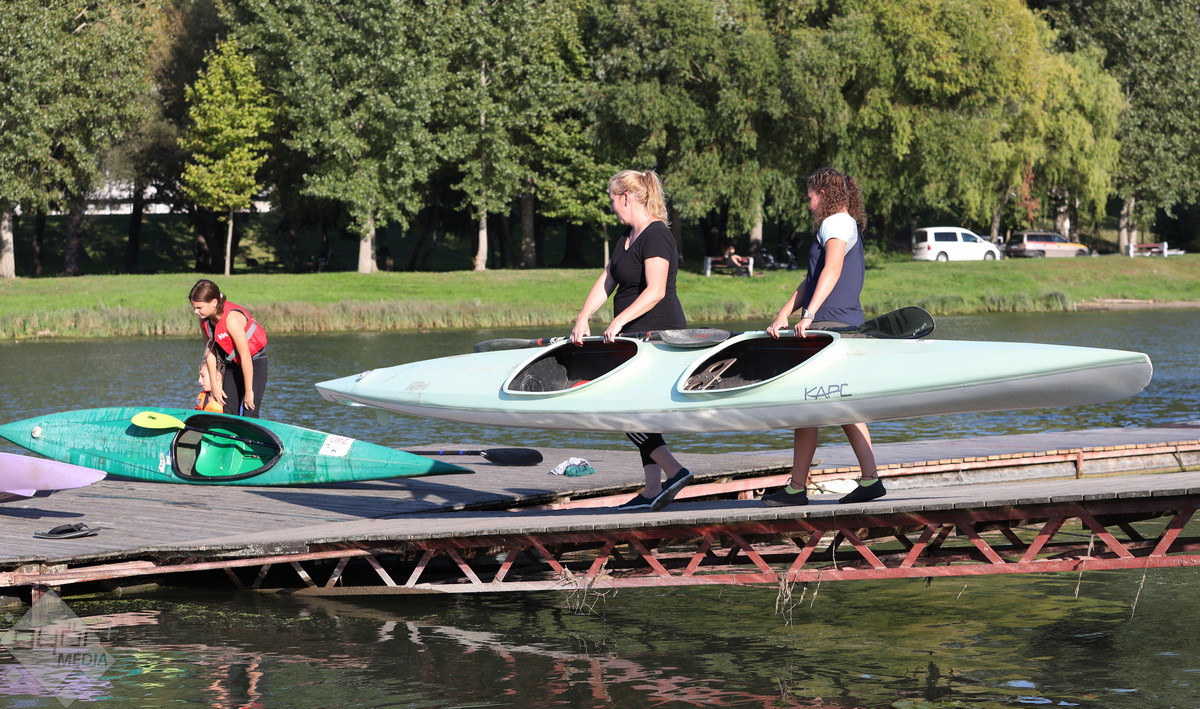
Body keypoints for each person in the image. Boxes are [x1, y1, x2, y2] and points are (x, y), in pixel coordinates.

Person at [761, 167, 885, 506]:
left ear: (824, 194)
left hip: (832, 326)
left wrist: (810, 314)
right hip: (841, 324)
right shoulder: (842, 223)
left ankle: (797, 488)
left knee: (808, 406)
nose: (809, 202)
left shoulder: (836, 223)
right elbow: (813, 278)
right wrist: (785, 312)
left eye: (811, 196)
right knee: (838, 406)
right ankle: (869, 479)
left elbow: (832, 269)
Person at [571, 169, 693, 511]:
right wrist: (583, 317)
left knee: (620, 407)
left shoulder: (657, 235)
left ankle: (675, 471)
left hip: (656, 336)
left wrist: (619, 320)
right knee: (636, 411)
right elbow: (607, 279)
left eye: (613, 199)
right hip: (632, 336)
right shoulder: (627, 237)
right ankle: (652, 488)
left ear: (626, 197)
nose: (611, 206)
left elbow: (656, 290)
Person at [189, 279, 268, 418]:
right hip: (232, 365)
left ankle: (250, 431)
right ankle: (229, 433)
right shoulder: (204, 320)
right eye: (194, 307)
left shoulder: (231, 319)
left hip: (254, 363)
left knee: (249, 410)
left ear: (214, 302)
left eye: (199, 307)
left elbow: (245, 356)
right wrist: (214, 386)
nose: (196, 312)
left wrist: (249, 391)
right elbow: (210, 353)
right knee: (228, 411)